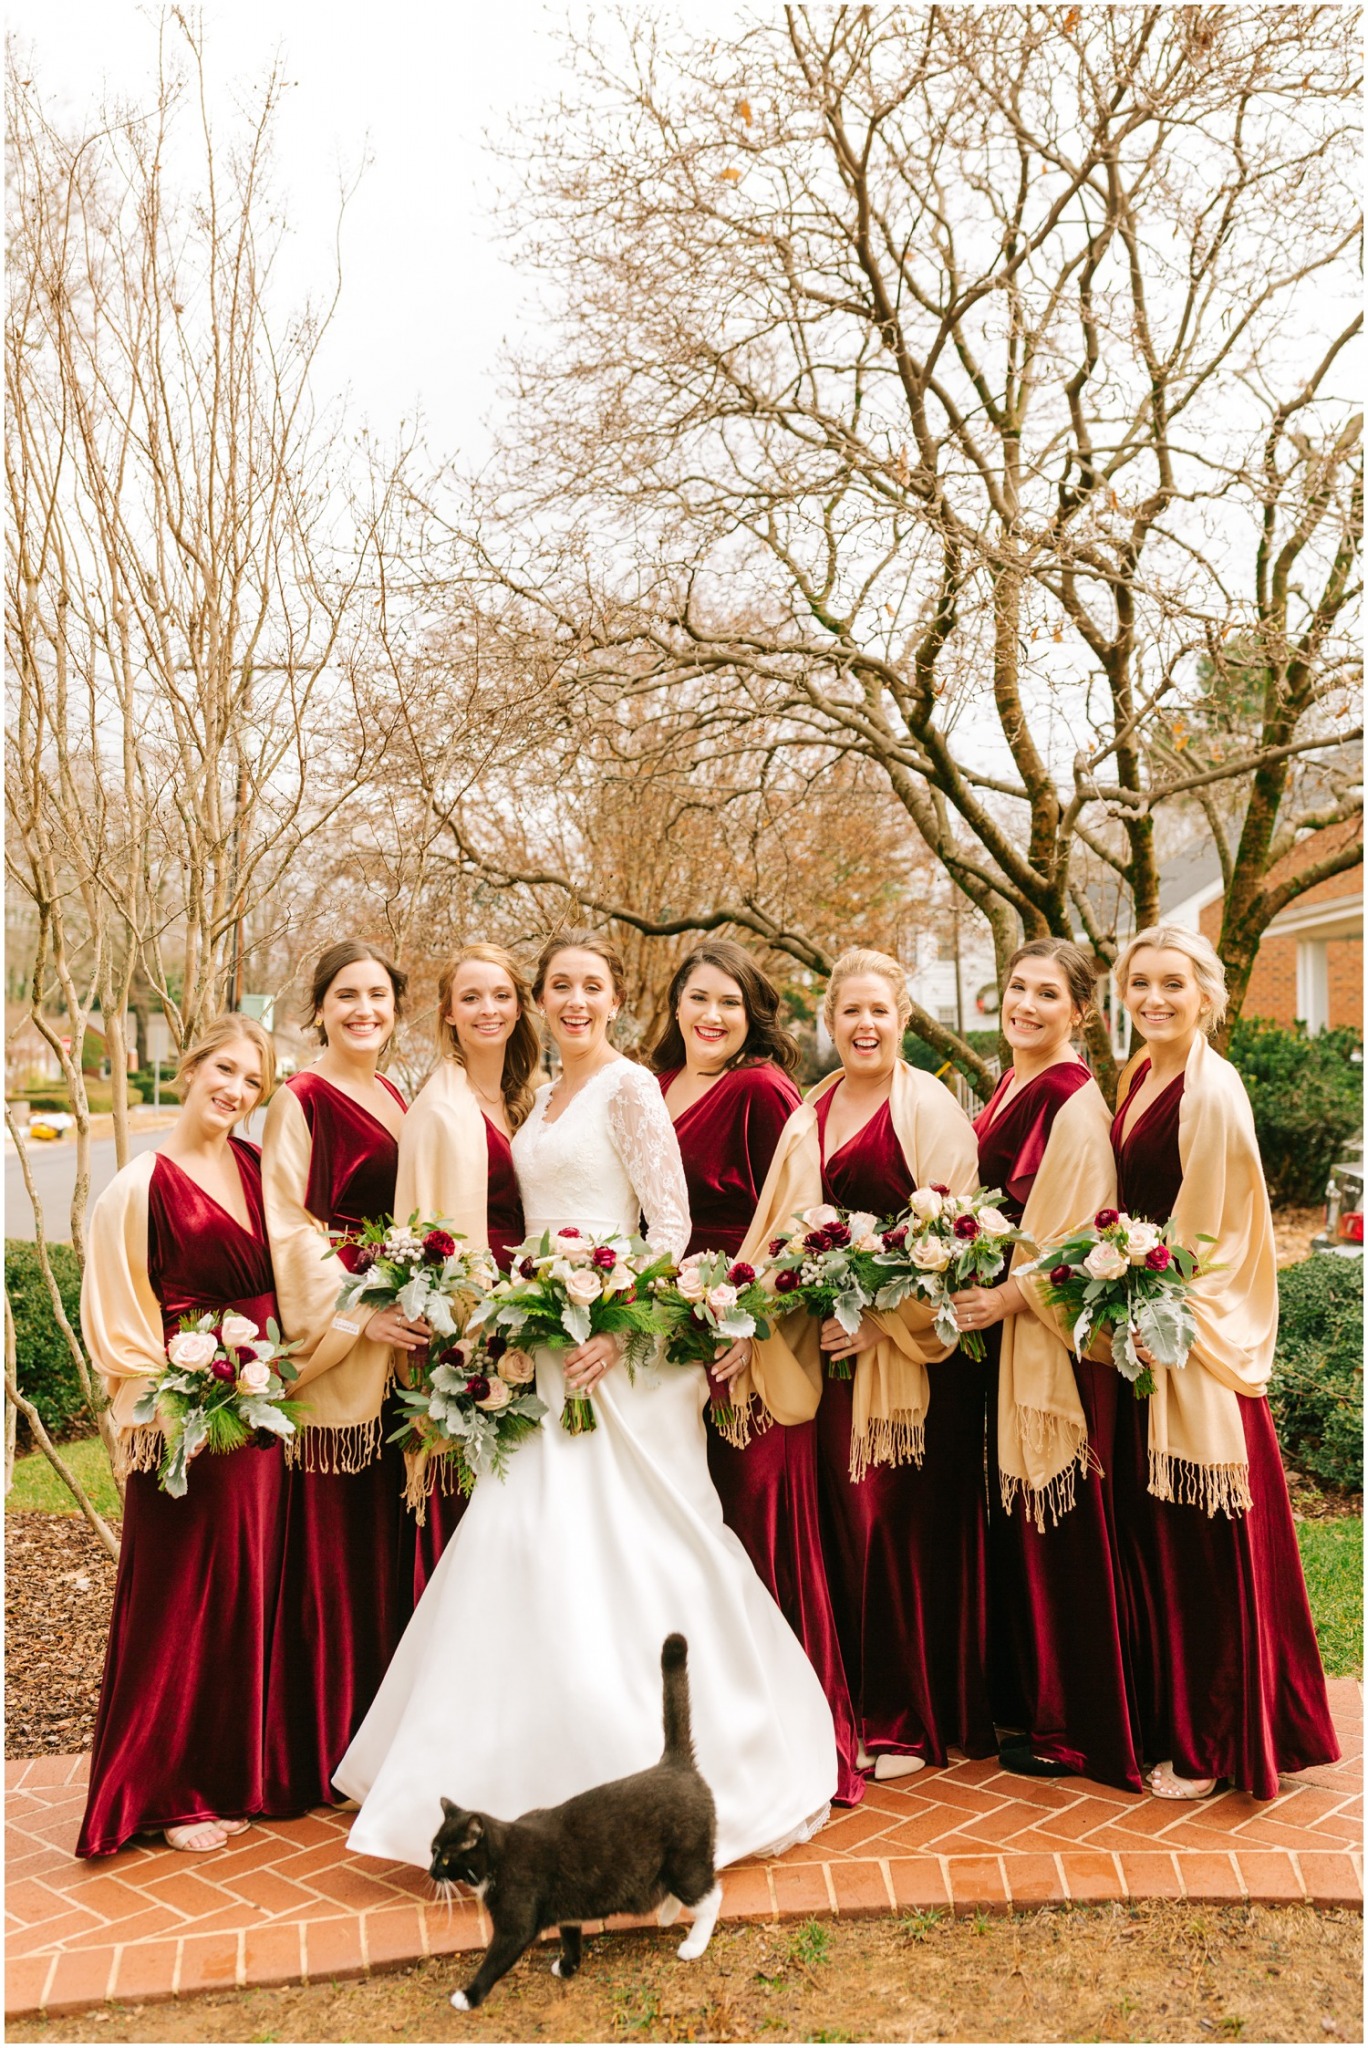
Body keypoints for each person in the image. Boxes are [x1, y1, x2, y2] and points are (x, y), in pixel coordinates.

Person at [335, 932, 837, 1870]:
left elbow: (673, 1221)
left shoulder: (629, 1086)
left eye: (592, 987)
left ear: (616, 998)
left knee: (636, 1546)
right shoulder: (543, 1100)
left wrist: (623, 1325)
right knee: (524, 1543)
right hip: (542, 1347)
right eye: (558, 986)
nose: (574, 1000)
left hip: (617, 1356)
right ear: (539, 1000)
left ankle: (684, 1769)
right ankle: (519, 1772)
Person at [736, 947, 993, 1776]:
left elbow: (960, 1249)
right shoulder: (810, 1110)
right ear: (830, 1022)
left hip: (915, 1368)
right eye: (850, 1011)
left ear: (904, 1019)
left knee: (897, 1535)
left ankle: (910, 1720)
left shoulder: (932, 1111)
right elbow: (782, 1224)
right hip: (833, 1360)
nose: (865, 1025)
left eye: (879, 1010)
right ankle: (852, 1703)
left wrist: (886, 1326)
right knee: (847, 1535)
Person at [1109, 924, 1339, 1800]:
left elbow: (1208, 1234)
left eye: (1173, 984)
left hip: (1192, 1343)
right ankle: (1182, 1720)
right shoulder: (1141, 1076)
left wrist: (1155, 1311)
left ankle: (1215, 1743)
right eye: (1140, 985)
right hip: (1145, 1334)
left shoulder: (1212, 1091)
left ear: (1208, 994)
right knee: (1164, 1544)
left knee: (1205, 1548)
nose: (1155, 999)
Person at [652, 941, 863, 1806]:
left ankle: (798, 1734)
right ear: (673, 1005)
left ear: (753, 1017)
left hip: (749, 1341)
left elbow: (798, 1217)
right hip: (665, 1340)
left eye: (729, 1005)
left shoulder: (763, 1090)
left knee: (759, 1525)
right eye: (698, 998)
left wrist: (750, 1314)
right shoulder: (652, 1087)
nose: (711, 1017)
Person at [77, 1017, 293, 1855]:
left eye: (252, 1080)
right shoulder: (137, 1186)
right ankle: (165, 1793)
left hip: (266, 1412)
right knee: (182, 1598)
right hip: (190, 1421)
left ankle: (226, 1771)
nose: (234, 1090)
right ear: (192, 1067)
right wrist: (173, 1410)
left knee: (243, 1594)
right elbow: (121, 1322)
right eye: (225, 1070)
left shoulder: (254, 1166)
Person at [948, 939, 1143, 1790]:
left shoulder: (1071, 1100)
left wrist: (1011, 1299)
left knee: (1055, 1526)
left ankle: (1069, 1723)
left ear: (1081, 1012)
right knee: (1018, 1525)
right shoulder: (1012, 1082)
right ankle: (1023, 1699)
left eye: (1045, 994)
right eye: (1017, 989)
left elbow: (1081, 1233)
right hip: (1001, 1340)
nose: (1025, 1005)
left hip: (1049, 1351)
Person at [260, 940, 417, 1807]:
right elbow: (290, 1226)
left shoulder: (394, 1093)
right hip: (340, 1352)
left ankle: (379, 1741)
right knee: (334, 1551)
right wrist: (360, 1313)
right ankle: (317, 1747)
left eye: (380, 996)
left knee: (387, 1551)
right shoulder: (300, 1099)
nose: (365, 1010)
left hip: (403, 1347)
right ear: (319, 1007)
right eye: (348, 996)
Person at [397, 942, 536, 1595]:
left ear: (520, 1005)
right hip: (472, 1329)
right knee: (478, 1503)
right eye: (471, 997)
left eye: (501, 995)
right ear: (449, 1013)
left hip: (543, 1315)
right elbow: (424, 1236)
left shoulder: (531, 1099)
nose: (488, 1009)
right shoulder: (438, 1111)